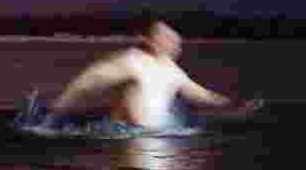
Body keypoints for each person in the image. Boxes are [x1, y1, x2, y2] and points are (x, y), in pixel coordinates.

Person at [18, 21, 262, 132]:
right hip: (124, 135)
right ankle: (36, 115)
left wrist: (235, 105)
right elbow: (87, 82)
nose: (174, 44)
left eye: (175, 40)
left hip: (159, 136)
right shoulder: (132, 61)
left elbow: (201, 94)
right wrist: (53, 117)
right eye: (166, 38)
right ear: (150, 41)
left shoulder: (172, 70)